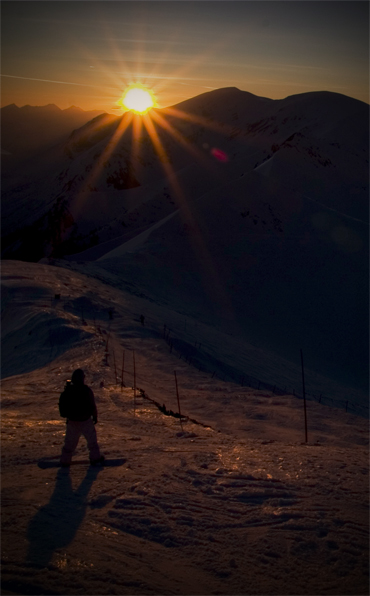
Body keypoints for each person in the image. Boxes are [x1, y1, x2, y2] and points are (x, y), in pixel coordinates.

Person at [59, 369, 104, 467]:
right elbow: (92, 405)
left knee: (69, 443)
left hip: (72, 421)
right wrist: (95, 416)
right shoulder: (86, 390)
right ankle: (95, 458)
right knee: (92, 441)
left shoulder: (68, 390)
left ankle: (65, 460)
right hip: (85, 420)